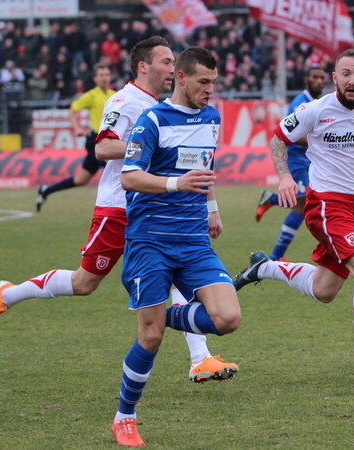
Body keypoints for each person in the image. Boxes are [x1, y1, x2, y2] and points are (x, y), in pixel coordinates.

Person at [0, 38, 236, 391]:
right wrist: (149, 144)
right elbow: (101, 147)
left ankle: (199, 358)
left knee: (175, 277)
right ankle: (8, 293)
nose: (170, 68)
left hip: (157, 208)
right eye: (165, 61)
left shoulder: (171, 107)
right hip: (118, 206)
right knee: (85, 283)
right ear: (144, 66)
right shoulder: (125, 101)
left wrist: (209, 206)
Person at [234, 49, 354, 381]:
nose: (352, 80)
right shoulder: (315, 110)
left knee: (324, 290)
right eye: (345, 73)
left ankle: (263, 267)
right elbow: (278, 139)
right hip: (325, 206)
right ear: (335, 78)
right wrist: (284, 177)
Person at [113, 46, 242, 446]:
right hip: (150, 241)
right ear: (181, 78)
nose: (210, 90)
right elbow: (130, 178)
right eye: (203, 82)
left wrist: (212, 207)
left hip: (193, 241)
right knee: (148, 339)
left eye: (214, 83)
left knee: (228, 318)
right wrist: (174, 183)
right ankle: (125, 416)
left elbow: (203, 168)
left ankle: (165, 316)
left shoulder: (212, 118)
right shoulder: (151, 121)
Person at [254, 66, 326, 261]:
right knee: (305, 205)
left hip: (310, 160)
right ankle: (277, 256)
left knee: (302, 205)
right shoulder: (300, 104)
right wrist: (320, 142)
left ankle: (271, 199)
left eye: (322, 78)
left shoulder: (319, 103)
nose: (319, 81)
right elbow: (294, 136)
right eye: (315, 77)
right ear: (307, 80)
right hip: (296, 159)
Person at [36, 63, 115, 212]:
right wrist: (78, 127)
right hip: (96, 141)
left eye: (107, 74)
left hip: (110, 140)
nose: (105, 78)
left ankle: (45, 191)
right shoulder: (91, 95)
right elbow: (72, 111)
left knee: (81, 180)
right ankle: (114, 208)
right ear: (95, 78)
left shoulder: (114, 95)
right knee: (116, 173)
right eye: (101, 75)